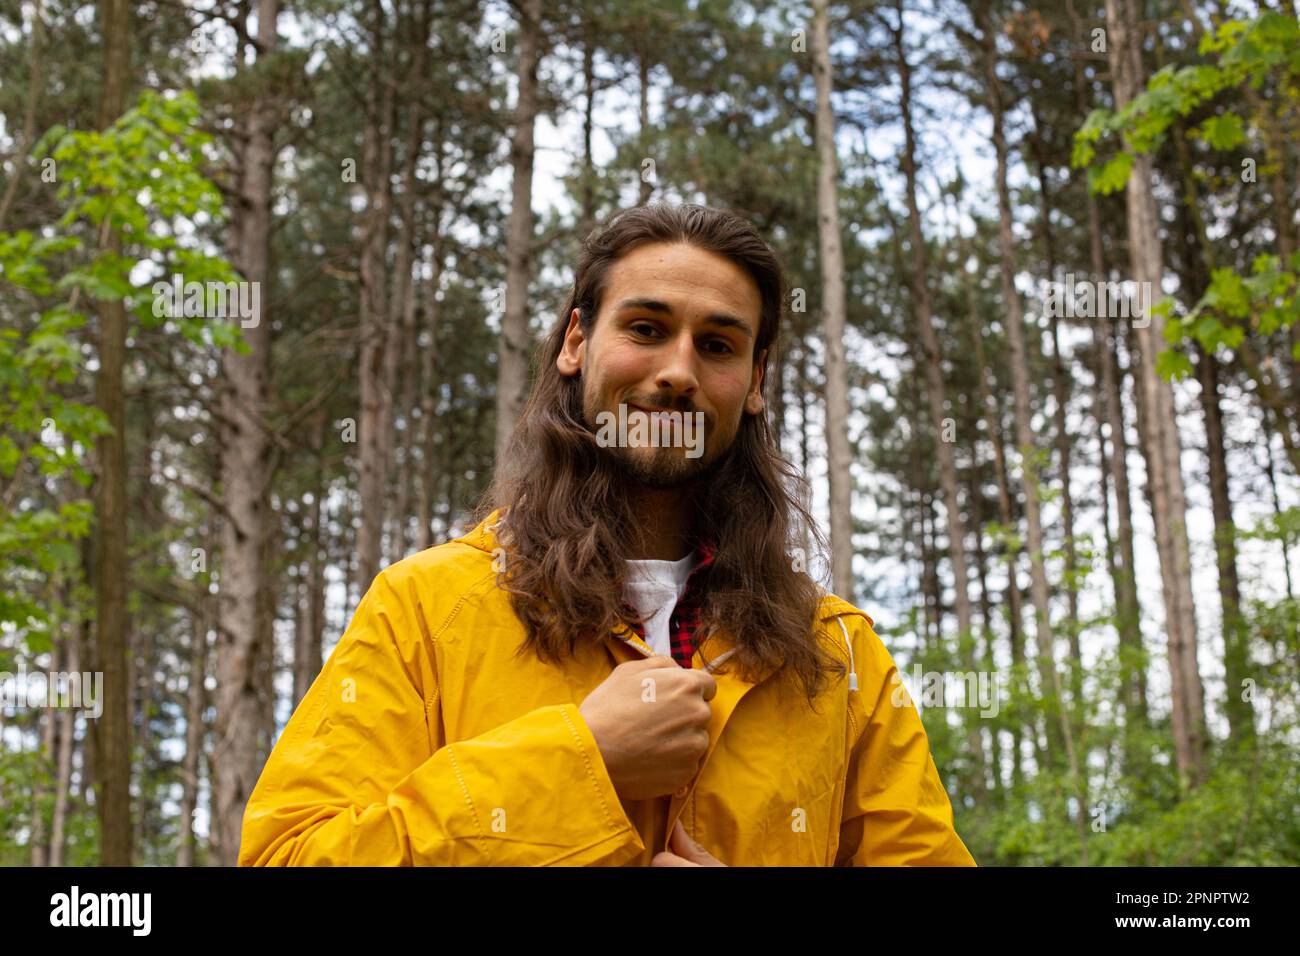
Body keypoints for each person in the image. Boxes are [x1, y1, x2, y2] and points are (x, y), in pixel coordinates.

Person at [238, 202, 977, 867]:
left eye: (718, 346)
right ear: (576, 343)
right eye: (647, 329)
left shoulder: (837, 653)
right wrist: (578, 762)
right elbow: (291, 857)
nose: (678, 371)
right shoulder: (425, 609)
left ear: (755, 383)